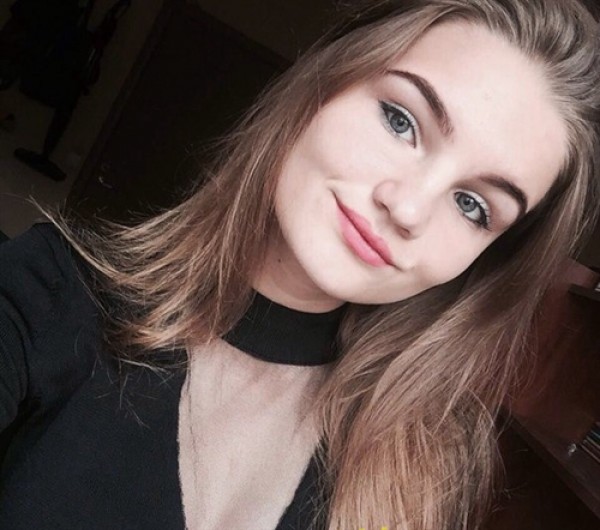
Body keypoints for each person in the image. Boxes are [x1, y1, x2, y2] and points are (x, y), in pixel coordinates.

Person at [0, 0, 599, 528]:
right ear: (324, 81)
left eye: (472, 206)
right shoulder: (49, 295)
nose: (408, 207)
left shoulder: (425, 472)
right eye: (401, 121)